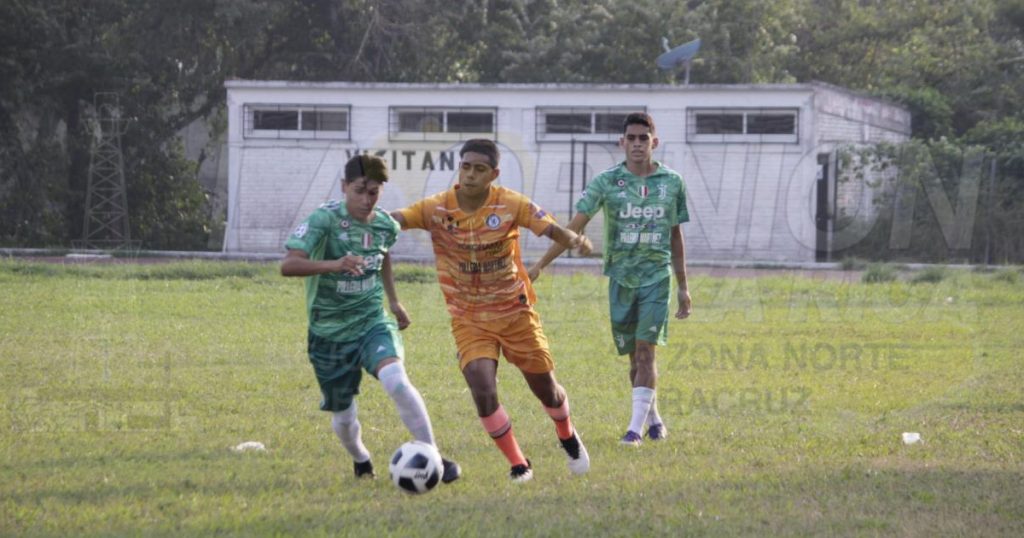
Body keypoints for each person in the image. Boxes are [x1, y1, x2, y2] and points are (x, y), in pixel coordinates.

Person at [391, 138, 591, 483]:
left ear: (493, 174)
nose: (470, 174)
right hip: (469, 319)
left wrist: (573, 239)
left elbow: (550, 227)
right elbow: (396, 219)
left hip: (515, 313)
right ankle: (518, 463)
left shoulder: (511, 203)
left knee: (547, 390)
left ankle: (567, 434)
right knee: (482, 388)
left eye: (479, 169)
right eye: (465, 166)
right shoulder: (438, 208)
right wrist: (368, 219)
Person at [281, 154, 460, 483]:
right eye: (360, 191)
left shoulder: (384, 224)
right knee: (344, 418)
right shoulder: (324, 220)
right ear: (344, 187)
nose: (366, 200)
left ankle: (434, 456)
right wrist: (335, 264)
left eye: (374, 192)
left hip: (371, 321)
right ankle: (361, 458)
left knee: (397, 381)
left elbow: (383, 254)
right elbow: (289, 265)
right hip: (328, 333)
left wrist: (394, 301)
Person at [529, 112, 692, 447]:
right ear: (622, 143)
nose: (636, 144)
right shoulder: (606, 182)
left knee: (647, 353)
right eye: (630, 138)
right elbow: (572, 228)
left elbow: (676, 236)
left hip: (656, 278)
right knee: (634, 359)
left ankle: (633, 432)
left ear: (654, 143)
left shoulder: (672, 182)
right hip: (620, 278)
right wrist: (541, 264)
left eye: (642, 138)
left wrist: (684, 287)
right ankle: (654, 418)